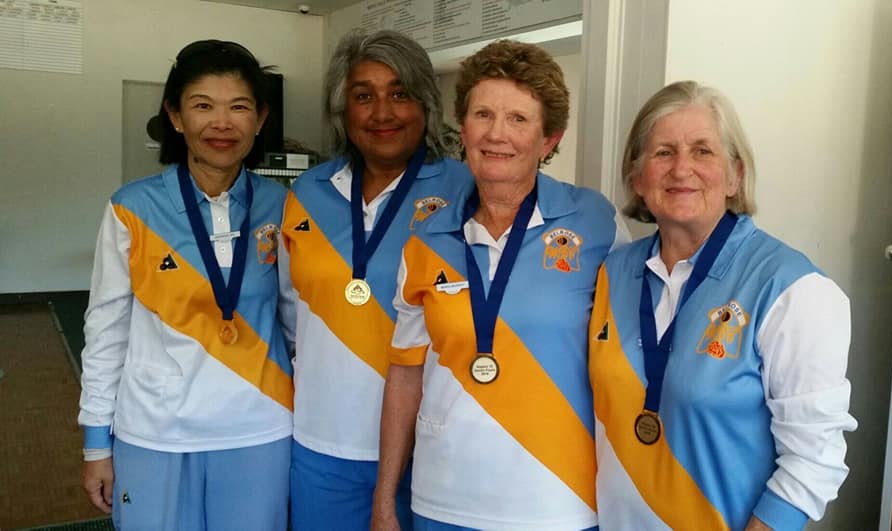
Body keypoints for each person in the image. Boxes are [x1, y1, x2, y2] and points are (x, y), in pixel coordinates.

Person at [372, 40, 630, 531]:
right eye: (483, 114)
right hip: (442, 499)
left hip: (556, 501)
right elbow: (405, 375)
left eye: (518, 119)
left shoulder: (596, 223)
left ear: (549, 139)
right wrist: (385, 498)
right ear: (463, 127)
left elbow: (630, 357)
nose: (496, 134)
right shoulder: (426, 239)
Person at [588, 80, 858, 530]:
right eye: (663, 152)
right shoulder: (613, 271)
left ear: (735, 175)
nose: (682, 169)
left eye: (702, 151)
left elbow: (815, 458)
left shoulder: (791, 287)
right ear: (637, 178)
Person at [78, 40, 292, 530]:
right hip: (155, 431)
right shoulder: (131, 209)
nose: (222, 123)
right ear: (175, 116)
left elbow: (299, 322)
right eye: (203, 106)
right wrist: (95, 444)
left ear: (260, 119)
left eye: (239, 107)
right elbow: (106, 330)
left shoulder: (283, 208)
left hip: (260, 429)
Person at [278, 30, 471, 531]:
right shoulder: (307, 192)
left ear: (427, 105)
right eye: (364, 96)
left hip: (429, 448)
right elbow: (291, 312)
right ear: (343, 110)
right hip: (321, 443)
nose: (382, 113)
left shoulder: (466, 193)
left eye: (400, 93)